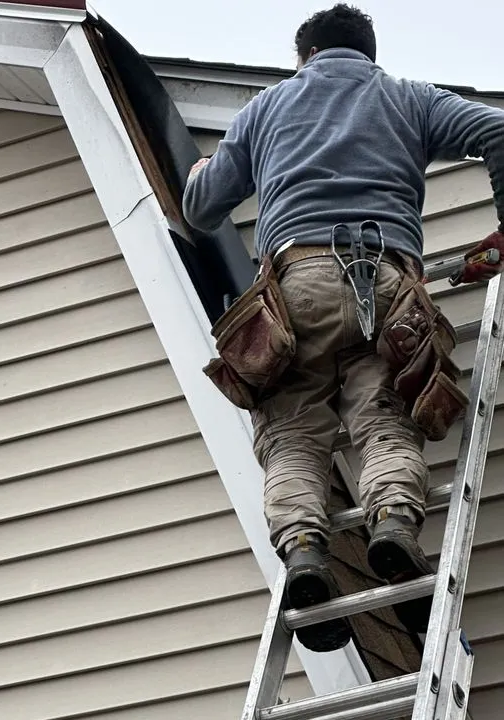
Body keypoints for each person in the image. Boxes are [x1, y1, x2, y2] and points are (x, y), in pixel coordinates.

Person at [182, 3, 504, 653]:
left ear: (304, 57)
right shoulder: (408, 98)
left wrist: (197, 175)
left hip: (295, 284)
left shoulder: (267, 107)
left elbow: (201, 207)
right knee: (385, 418)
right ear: (368, 53)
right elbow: (497, 130)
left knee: (292, 432)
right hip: (386, 282)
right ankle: (394, 523)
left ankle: (303, 547)